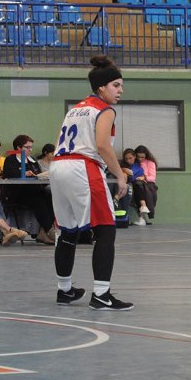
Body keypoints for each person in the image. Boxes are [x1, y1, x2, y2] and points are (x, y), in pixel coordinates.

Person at [50, 55, 132, 311]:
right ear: (101, 88)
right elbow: (102, 146)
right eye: (116, 85)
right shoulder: (104, 109)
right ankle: (101, 295)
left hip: (58, 165)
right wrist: (120, 175)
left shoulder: (75, 108)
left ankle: (65, 290)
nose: (121, 90)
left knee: (68, 230)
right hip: (82, 167)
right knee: (106, 229)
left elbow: (58, 143)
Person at [1, 134, 56, 244]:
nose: (30, 150)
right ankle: (49, 230)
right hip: (16, 193)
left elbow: (38, 175)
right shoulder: (11, 160)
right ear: (18, 148)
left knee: (51, 196)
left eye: (31, 147)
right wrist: (23, 173)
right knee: (37, 199)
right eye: (27, 147)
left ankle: (42, 232)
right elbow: (8, 174)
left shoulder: (33, 160)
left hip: (33, 190)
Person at [133, 144, 158, 224]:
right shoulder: (134, 162)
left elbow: (153, 178)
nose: (140, 159)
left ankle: (142, 216)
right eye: (138, 157)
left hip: (148, 183)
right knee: (138, 186)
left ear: (146, 156)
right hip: (136, 183)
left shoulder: (150, 163)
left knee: (141, 188)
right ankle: (142, 214)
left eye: (142, 157)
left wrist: (144, 177)